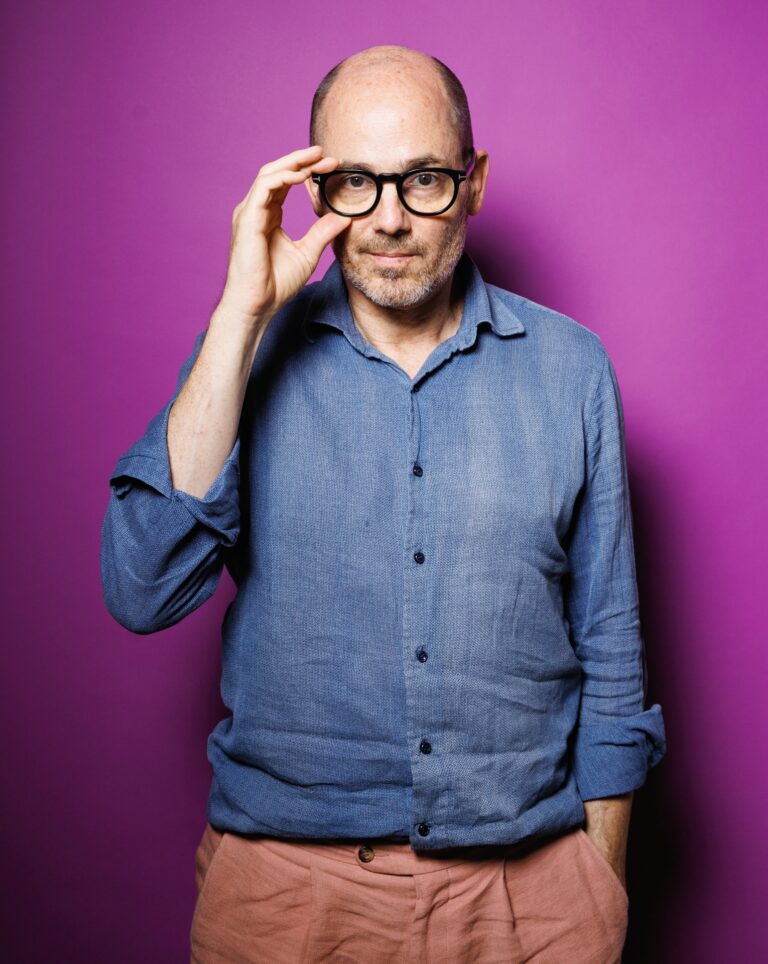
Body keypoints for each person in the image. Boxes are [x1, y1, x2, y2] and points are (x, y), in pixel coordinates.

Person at [100, 44, 666, 963]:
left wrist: (598, 884)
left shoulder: (572, 370)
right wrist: (240, 317)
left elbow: (612, 648)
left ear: (474, 183)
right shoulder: (241, 356)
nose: (390, 219)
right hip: (288, 903)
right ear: (313, 191)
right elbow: (142, 586)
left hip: (531, 897)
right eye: (355, 182)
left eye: (424, 180)